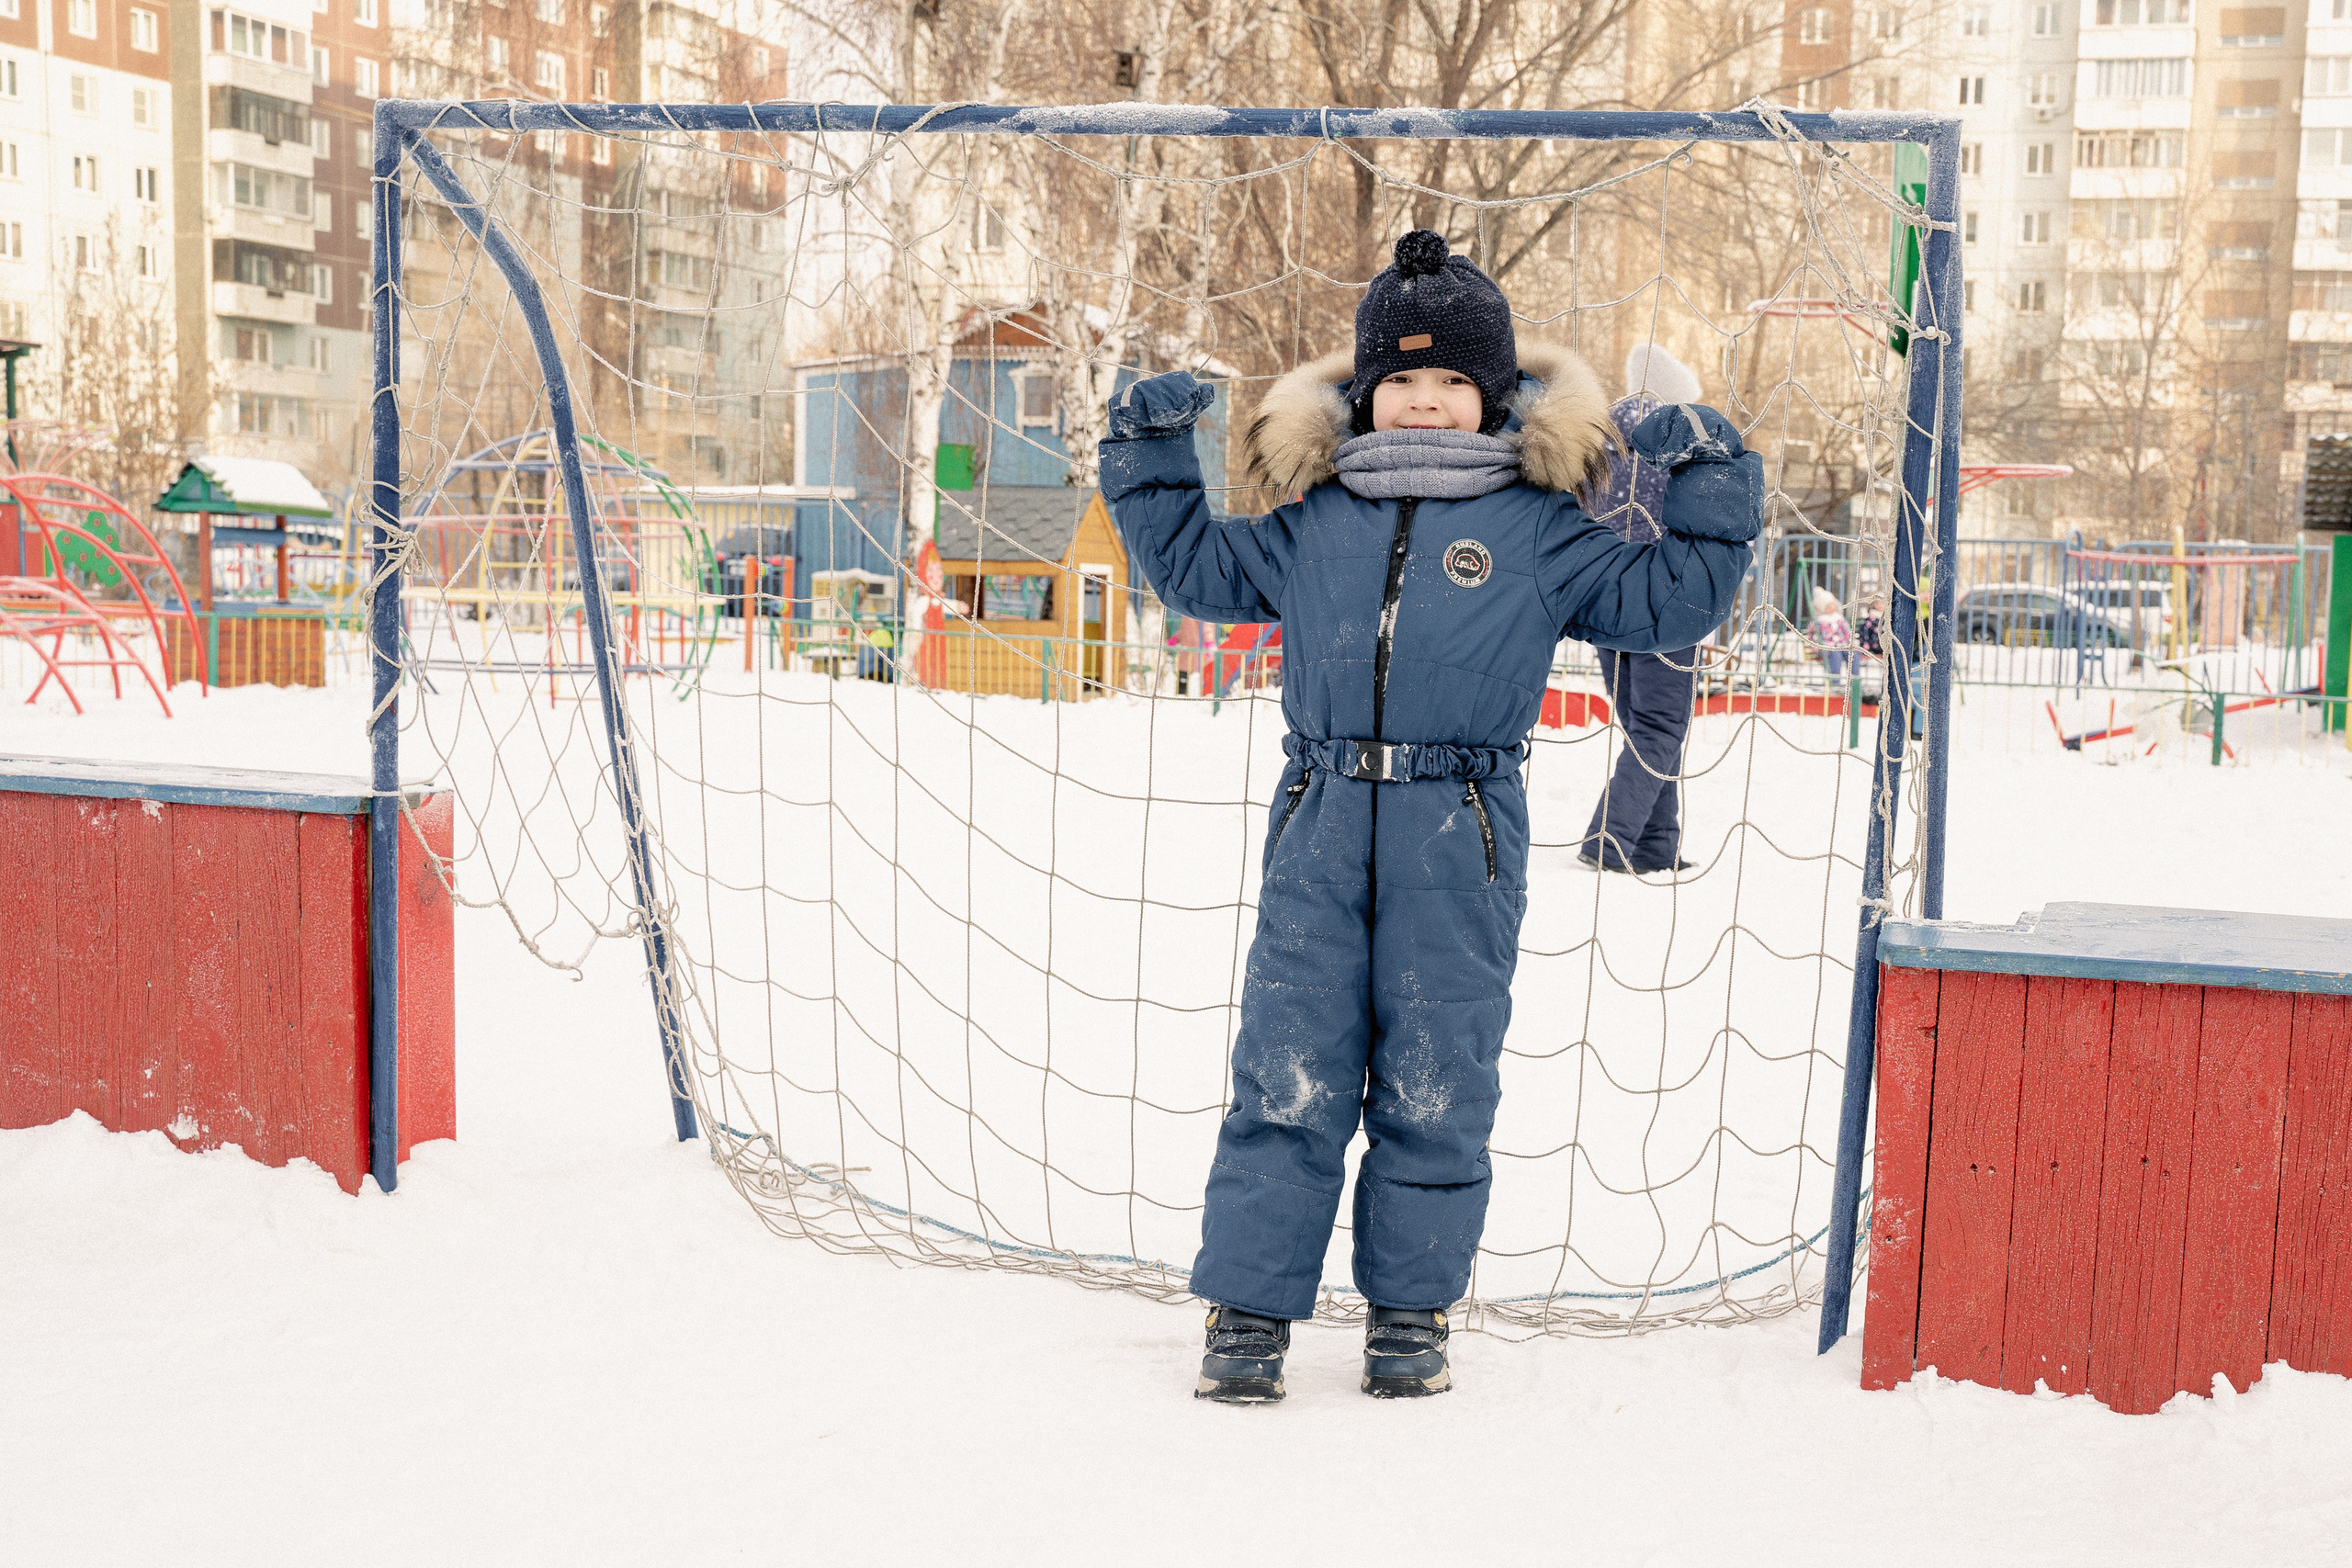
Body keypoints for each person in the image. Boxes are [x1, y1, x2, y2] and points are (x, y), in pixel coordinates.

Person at [1097, 230, 1763, 1404]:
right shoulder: (1315, 520)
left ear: (1495, 398)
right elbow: (1197, 567)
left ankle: (1411, 1313)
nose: (1425, 401)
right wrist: (1150, 451)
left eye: (1453, 381)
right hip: (1319, 820)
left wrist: (1711, 479)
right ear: (1361, 397)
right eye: (1401, 379)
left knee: (1437, 1074)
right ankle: (1248, 1313)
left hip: (1462, 828)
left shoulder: (1545, 530)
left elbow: (1674, 596)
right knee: (1287, 1069)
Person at [1576, 344, 1710, 876]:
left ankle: (1656, 844)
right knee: (1661, 723)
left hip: (1609, 590)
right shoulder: (1681, 438)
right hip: (1667, 589)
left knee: (1643, 724)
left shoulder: (1601, 435)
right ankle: (1608, 838)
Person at [1809, 586, 1856, 680]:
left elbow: (1847, 632)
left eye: (1833, 605)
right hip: (1827, 647)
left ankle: (1854, 681)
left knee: (1853, 655)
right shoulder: (1818, 622)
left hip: (1842, 645)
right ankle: (1835, 682)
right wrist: (1818, 647)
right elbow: (1813, 636)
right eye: (1828, 606)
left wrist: (1850, 642)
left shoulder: (1839, 619)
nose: (1832, 608)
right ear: (1822, 608)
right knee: (1835, 656)